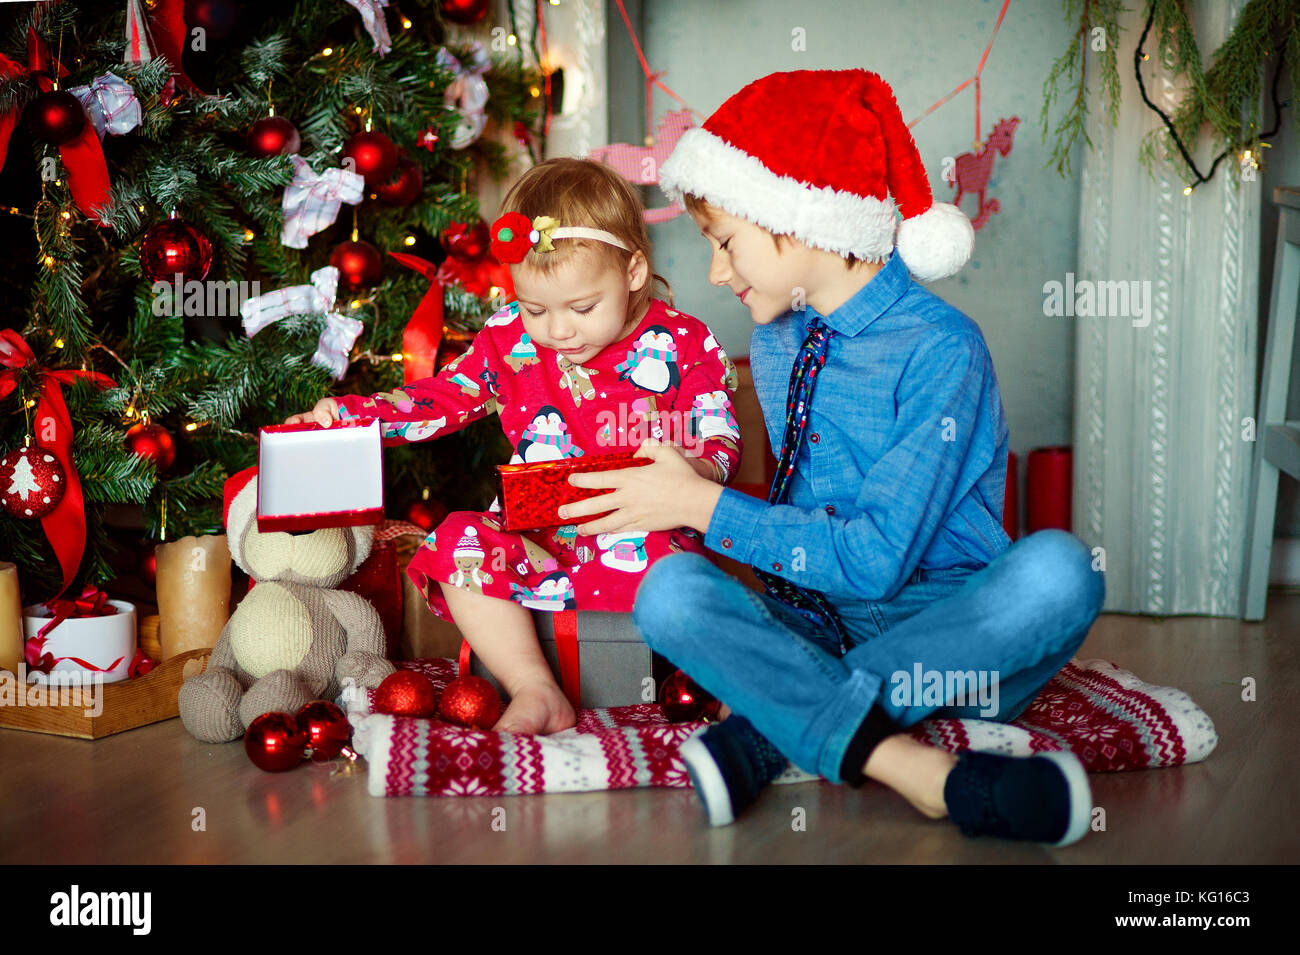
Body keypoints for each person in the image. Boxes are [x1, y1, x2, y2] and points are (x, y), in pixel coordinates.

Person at [559, 70, 1106, 845]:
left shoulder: (943, 349)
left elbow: (879, 560)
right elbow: (796, 523)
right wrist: (682, 485)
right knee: (668, 592)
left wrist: (698, 505)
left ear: (800, 220)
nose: (717, 272)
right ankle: (923, 773)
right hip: (809, 622)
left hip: (950, 639)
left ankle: (775, 727)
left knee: (1061, 571)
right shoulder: (781, 341)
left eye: (725, 243)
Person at [286, 158, 742, 736]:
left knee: (685, 577)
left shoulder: (685, 340)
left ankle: (729, 688)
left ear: (632, 272)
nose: (557, 331)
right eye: (535, 309)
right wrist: (349, 417)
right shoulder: (507, 337)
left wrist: (693, 468)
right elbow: (442, 398)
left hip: (643, 532)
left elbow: (721, 437)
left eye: (581, 308)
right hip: (536, 538)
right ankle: (537, 688)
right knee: (456, 541)